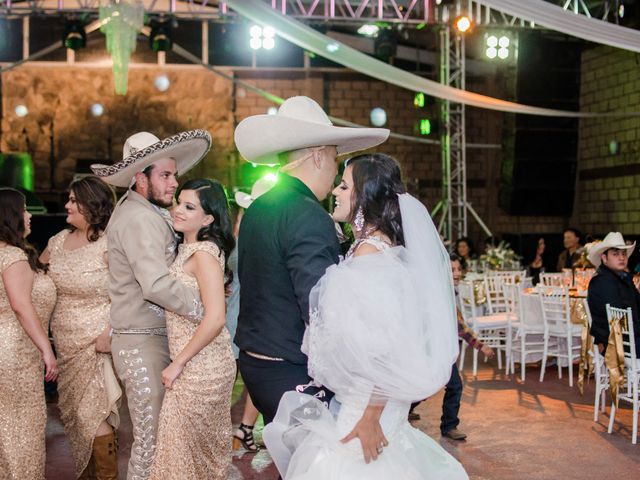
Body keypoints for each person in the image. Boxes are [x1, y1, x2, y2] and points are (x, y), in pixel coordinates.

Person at [264, 153, 467, 479]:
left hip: (366, 406)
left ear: (364, 196)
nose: (335, 192)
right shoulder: (373, 248)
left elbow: (389, 343)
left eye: (344, 186)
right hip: (363, 400)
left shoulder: (372, 253)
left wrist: (371, 416)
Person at [233, 96, 389, 425]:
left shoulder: (258, 207)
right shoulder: (307, 214)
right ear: (318, 157)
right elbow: (320, 308)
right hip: (290, 368)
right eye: (335, 160)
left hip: (255, 362)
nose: (335, 174)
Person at [91, 129, 211, 480]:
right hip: (143, 343)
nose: (175, 183)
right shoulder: (139, 217)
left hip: (152, 338)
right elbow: (155, 284)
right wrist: (205, 307)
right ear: (140, 179)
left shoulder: (145, 211)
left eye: (174, 174)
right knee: (152, 441)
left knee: (159, 439)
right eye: (165, 175)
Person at [149, 179, 237, 479]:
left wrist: (178, 363)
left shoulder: (203, 253)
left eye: (190, 207)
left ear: (208, 218)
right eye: (179, 203)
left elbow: (215, 319)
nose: (178, 210)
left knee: (185, 450)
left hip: (203, 366)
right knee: (185, 453)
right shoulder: (185, 249)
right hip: (192, 361)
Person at [41, 176, 121, 479]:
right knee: (74, 415)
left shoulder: (109, 243)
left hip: (96, 343)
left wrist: (110, 332)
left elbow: (128, 292)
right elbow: (36, 278)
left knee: (95, 413)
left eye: (74, 201)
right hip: (64, 343)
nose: (67, 206)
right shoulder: (58, 240)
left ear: (92, 205)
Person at [0, 188, 58, 480]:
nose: (29, 215)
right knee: (24, 427)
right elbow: (21, 306)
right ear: (11, 215)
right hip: (15, 351)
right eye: (24, 210)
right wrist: (47, 350)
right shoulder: (12, 256)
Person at [228, 176, 277, 452]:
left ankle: (244, 428)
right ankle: (243, 429)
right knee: (247, 376)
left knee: (253, 376)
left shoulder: (253, 232)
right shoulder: (247, 230)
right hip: (237, 311)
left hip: (245, 312)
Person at [587, 232, 640, 358]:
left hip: (627, 337)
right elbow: (620, 317)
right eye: (615, 254)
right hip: (616, 343)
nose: (621, 258)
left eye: (623, 254)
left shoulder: (623, 277)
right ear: (604, 258)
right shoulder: (603, 281)